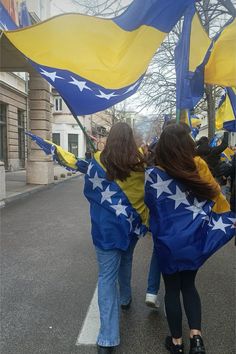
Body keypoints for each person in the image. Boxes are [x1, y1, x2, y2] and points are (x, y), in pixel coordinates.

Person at [145, 124, 235, 354]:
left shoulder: (154, 174)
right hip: (193, 241)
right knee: (189, 286)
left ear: (163, 146)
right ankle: (196, 340)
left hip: (167, 243)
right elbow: (217, 197)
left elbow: (150, 206)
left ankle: (176, 343)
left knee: (172, 290)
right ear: (187, 144)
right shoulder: (199, 166)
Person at [82, 122, 149, 353]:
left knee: (106, 278)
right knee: (127, 259)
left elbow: (90, 192)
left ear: (110, 138)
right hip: (131, 227)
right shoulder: (140, 164)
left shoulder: (99, 160)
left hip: (106, 230)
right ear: (131, 139)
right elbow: (143, 196)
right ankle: (126, 298)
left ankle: (108, 338)